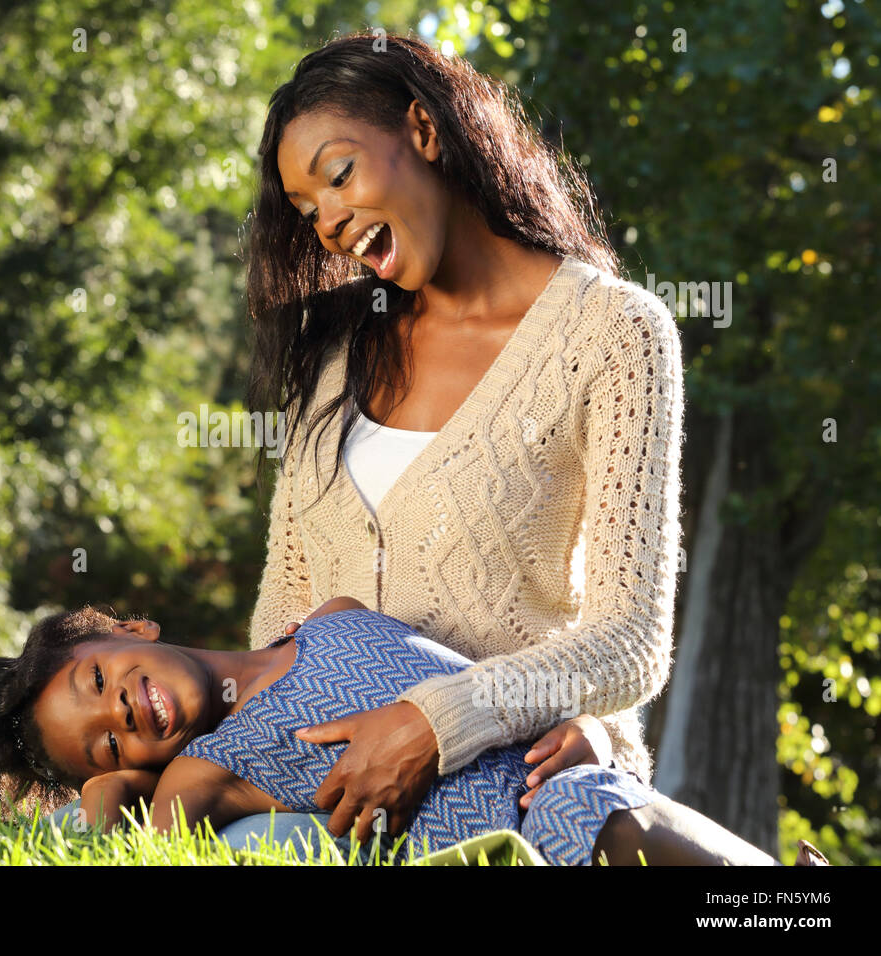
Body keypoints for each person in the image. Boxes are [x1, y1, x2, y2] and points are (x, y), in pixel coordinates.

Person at [240, 30, 684, 845]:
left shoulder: (613, 334)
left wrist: (435, 721)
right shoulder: (335, 355)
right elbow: (282, 621)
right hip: (324, 802)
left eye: (339, 175)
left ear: (424, 130)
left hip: (512, 792)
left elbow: (629, 642)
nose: (330, 222)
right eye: (308, 212)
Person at [0, 601, 814, 866]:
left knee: (608, 803)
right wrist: (107, 788)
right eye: (106, 741)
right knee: (585, 819)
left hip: (547, 773)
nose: (121, 718)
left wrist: (588, 726)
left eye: (98, 682)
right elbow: (136, 843)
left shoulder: (328, 614)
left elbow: (475, 676)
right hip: (498, 842)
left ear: (129, 629)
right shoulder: (199, 773)